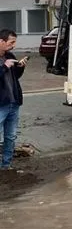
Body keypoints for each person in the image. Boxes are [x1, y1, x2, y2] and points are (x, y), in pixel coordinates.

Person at [0, 29, 26, 170]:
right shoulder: (5, 61)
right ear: (1, 41)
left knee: (10, 136)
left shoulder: (9, 55)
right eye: (11, 42)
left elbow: (15, 76)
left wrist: (20, 67)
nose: (13, 45)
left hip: (13, 103)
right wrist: (4, 67)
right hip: (1, 105)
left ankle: (6, 165)